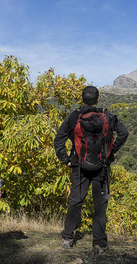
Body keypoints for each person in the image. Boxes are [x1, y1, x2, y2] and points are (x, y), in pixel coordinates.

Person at [54, 85, 129, 253]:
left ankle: (67, 238)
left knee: (75, 201)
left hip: (79, 166)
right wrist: (111, 152)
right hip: (102, 168)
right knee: (100, 205)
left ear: (82, 99)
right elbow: (124, 133)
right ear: (97, 99)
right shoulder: (107, 116)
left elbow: (59, 139)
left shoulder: (74, 116)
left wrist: (65, 159)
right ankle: (99, 243)